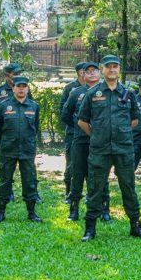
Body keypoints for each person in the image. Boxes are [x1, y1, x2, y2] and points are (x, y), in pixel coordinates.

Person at [77, 54, 141, 242]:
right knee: (95, 188)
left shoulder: (128, 93)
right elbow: (82, 121)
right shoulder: (93, 94)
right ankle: (90, 228)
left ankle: (136, 226)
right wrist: (97, 134)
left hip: (123, 148)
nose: (112, 69)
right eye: (108, 66)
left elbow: (135, 120)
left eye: (115, 66)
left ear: (119, 69)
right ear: (102, 69)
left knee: (128, 188)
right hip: (99, 149)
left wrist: (121, 132)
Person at [61, 62, 109, 221]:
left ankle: (104, 210)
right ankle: (74, 210)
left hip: (101, 141)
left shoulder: (107, 91)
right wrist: (78, 128)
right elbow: (66, 115)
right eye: (87, 71)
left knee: (101, 175)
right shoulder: (76, 93)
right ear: (83, 75)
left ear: (99, 73)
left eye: (94, 70)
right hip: (80, 140)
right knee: (77, 174)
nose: (91, 74)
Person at [0, 75, 41, 222]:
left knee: (29, 181)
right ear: (13, 88)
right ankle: (1, 212)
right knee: (5, 181)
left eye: (24, 86)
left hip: (27, 150)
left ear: (27, 89)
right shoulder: (4, 106)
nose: (21, 89)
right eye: (18, 86)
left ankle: (31, 212)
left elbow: (36, 128)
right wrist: (3, 145)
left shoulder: (34, 106)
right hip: (8, 149)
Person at [59, 62, 86, 202]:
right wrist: (74, 126)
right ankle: (69, 193)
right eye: (83, 70)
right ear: (79, 72)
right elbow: (63, 111)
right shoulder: (70, 89)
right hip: (73, 133)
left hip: (90, 134)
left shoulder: (97, 88)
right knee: (71, 163)